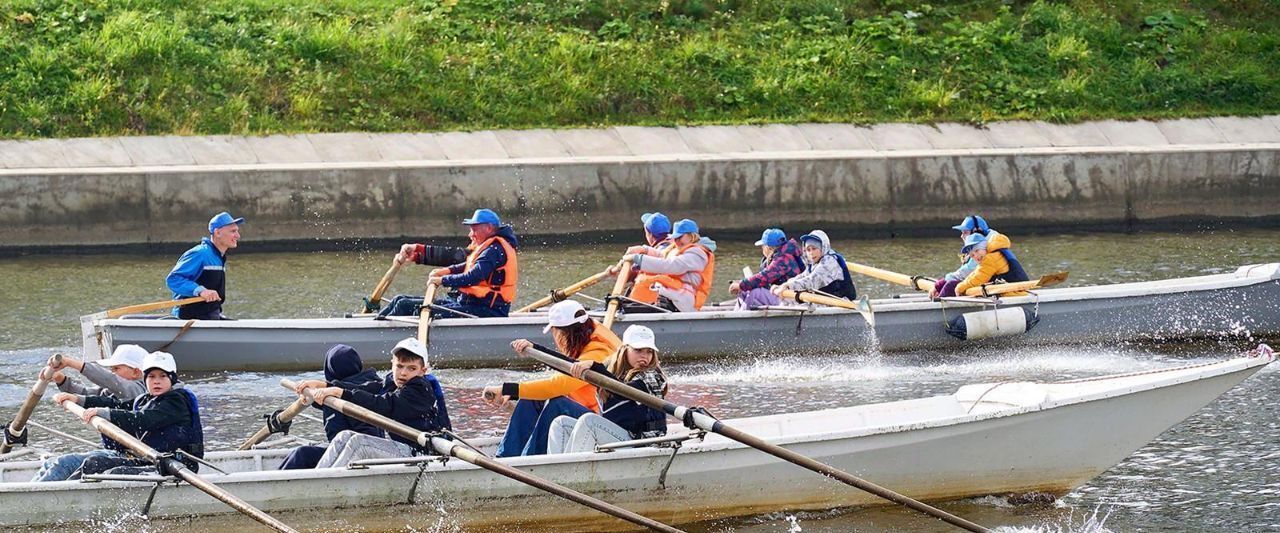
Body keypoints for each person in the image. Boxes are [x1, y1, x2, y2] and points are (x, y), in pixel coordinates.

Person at [35, 352, 203, 481]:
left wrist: (103, 413)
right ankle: (34, 494)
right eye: (151, 377)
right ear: (145, 379)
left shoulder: (176, 402)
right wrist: (79, 399)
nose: (156, 381)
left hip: (171, 465)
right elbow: (118, 404)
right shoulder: (145, 398)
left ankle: (57, 498)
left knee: (97, 466)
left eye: (162, 376)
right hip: (142, 457)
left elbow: (142, 419)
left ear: (172, 379)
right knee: (60, 462)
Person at [485, 300, 622, 457]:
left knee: (556, 404)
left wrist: (506, 388)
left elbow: (557, 385)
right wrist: (517, 392)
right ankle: (506, 457)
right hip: (587, 411)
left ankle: (528, 461)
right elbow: (564, 367)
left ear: (564, 333)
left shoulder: (598, 352)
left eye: (554, 332)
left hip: (603, 422)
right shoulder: (588, 333)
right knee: (531, 398)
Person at [301, 338, 450, 469]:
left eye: (411, 368)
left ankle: (326, 486)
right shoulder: (393, 381)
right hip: (403, 448)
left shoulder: (419, 388)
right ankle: (317, 478)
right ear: (392, 364)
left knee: (359, 443)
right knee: (344, 436)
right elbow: (365, 389)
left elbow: (382, 405)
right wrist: (324, 386)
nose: (403, 373)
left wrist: (340, 393)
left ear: (423, 371)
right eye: (399, 366)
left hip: (424, 454)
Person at [547, 325, 669, 454]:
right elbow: (569, 364)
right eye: (638, 350)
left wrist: (594, 365)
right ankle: (558, 468)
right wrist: (533, 347)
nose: (644, 356)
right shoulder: (611, 370)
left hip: (643, 442)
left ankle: (573, 470)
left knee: (589, 421)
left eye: (649, 351)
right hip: (620, 437)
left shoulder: (652, 375)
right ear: (624, 349)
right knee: (560, 423)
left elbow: (623, 392)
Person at [379, 208, 520, 319]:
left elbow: (473, 277)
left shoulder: (494, 250)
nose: (470, 234)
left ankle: (381, 337)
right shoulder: (485, 246)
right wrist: (441, 269)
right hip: (469, 303)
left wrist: (443, 280)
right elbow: (462, 261)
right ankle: (377, 323)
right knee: (400, 299)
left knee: (408, 306)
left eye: (474, 229)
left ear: (489, 228)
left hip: (487, 310)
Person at [278, 344, 386, 470]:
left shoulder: (361, 392)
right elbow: (330, 403)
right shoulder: (333, 391)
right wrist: (310, 398)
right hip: (340, 449)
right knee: (297, 453)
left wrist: (325, 387)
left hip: (358, 454)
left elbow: (368, 433)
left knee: (302, 455)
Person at [615, 218, 717, 312]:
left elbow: (673, 266)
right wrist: (644, 250)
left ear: (691, 236)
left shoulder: (698, 254)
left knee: (629, 308)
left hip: (683, 304)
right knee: (626, 305)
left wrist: (638, 259)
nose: (676, 241)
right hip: (670, 298)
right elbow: (662, 256)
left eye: (679, 237)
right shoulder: (680, 248)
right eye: (675, 238)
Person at [166, 211, 243, 320]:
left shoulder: (218, 257)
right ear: (217, 233)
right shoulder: (200, 254)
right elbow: (174, 279)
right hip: (188, 318)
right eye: (233, 231)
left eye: (237, 231)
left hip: (209, 315)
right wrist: (201, 291)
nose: (238, 236)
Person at [772, 229, 857, 302]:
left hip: (842, 303)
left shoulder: (829, 262)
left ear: (823, 247)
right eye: (808, 250)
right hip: (825, 301)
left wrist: (788, 286)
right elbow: (802, 276)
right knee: (786, 300)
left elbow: (811, 281)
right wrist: (784, 285)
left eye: (814, 249)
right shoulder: (813, 263)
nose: (811, 253)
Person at [730, 228, 804, 310]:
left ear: (769, 248)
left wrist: (741, 284)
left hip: (788, 298)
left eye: (762, 246)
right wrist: (742, 285)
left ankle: (741, 317)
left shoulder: (783, 259)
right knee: (744, 290)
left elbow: (764, 277)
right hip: (777, 293)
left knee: (754, 292)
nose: (762, 248)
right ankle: (738, 311)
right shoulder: (780, 256)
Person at [930, 215, 1002, 299]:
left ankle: (938, 307)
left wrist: (941, 283)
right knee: (949, 284)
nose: (961, 236)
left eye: (965, 232)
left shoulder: (983, 248)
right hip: (986, 281)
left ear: (977, 232)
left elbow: (967, 271)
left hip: (998, 285)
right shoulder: (985, 243)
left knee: (951, 285)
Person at [49, 344, 148, 401]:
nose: (112, 372)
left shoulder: (138, 390)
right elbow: (85, 393)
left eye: (116, 368)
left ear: (136, 372)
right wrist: (60, 379)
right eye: (111, 369)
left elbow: (109, 379)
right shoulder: (111, 391)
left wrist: (70, 362)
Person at [952, 232, 1030, 297]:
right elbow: (975, 274)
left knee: (956, 287)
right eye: (972, 255)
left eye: (977, 251)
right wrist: (962, 285)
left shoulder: (990, 258)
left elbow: (979, 278)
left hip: (1015, 293)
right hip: (1017, 290)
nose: (975, 256)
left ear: (984, 247)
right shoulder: (995, 253)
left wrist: (959, 288)